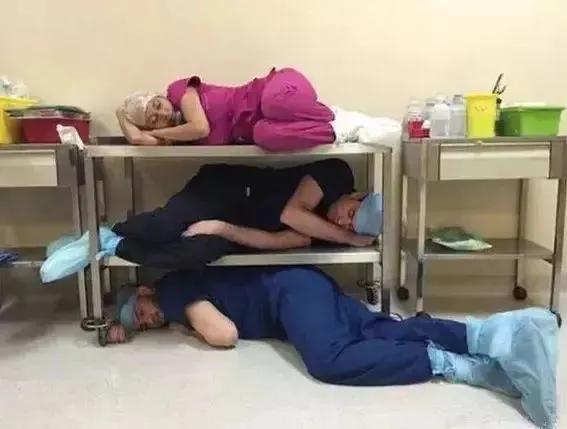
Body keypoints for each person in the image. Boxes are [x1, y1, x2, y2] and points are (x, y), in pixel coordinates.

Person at [109, 265, 559, 429]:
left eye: (141, 310)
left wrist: (186, 325)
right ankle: (497, 335)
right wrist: (123, 328)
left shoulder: (173, 289)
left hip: (288, 295)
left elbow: (223, 335)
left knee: (330, 360)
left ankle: (454, 364)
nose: (150, 320)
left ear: (146, 290)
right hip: (302, 287)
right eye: (143, 325)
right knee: (379, 333)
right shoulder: (175, 295)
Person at [41, 158, 381, 281]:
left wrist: (222, 229)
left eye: (348, 226)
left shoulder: (328, 233)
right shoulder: (338, 173)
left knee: (194, 253)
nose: (342, 222)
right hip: (226, 189)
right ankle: (108, 233)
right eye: (351, 214)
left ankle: (113, 245)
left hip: (235, 224)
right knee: (166, 226)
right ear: (358, 195)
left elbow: (277, 239)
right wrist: (349, 238)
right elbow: (291, 214)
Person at [117, 68, 337, 152]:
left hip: (278, 88)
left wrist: (157, 131)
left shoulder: (177, 91)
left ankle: (331, 115)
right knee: (264, 135)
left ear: (159, 96)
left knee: (272, 104)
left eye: (157, 105)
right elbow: (137, 139)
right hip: (265, 124)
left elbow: (200, 128)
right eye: (154, 119)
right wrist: (120, 112)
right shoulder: (177, 137)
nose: (163, 114)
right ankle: (336, 130)